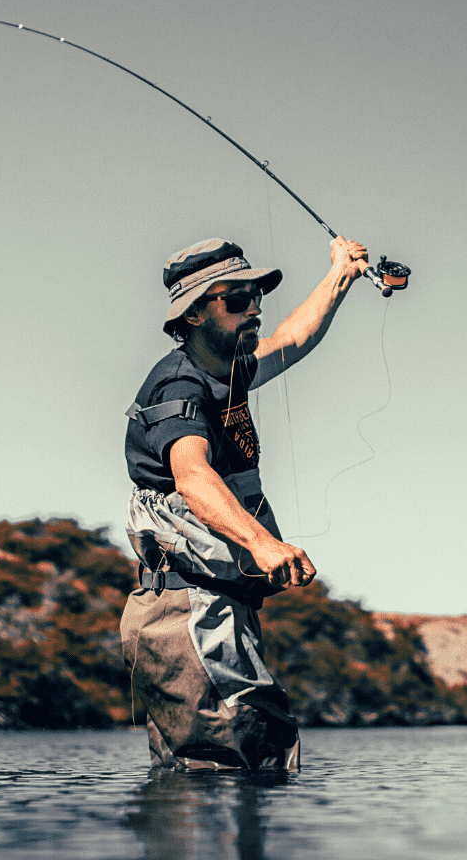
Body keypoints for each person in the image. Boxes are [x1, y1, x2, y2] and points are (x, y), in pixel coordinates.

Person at [121, 234, 369, 771]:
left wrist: (340, 276)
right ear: (191, 314)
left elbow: (293, 337)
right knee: (248, 764)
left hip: (214, 610)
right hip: (189, 613)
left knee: (209, 790)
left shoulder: (229, 371)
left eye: (256, 295)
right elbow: (192, 476)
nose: (254, 308)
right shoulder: (178, 388)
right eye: (236, 300)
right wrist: (262, 544)